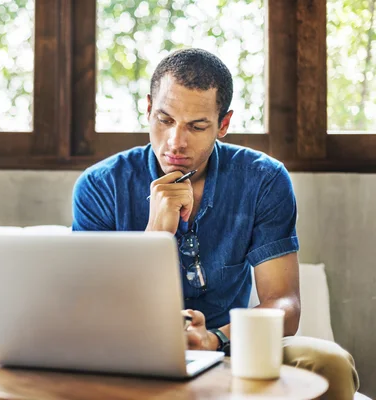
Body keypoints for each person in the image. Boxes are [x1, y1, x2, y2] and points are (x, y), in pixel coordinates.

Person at [72, 48, 359, 399]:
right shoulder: (100, 185)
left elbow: (284, 302)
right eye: (164, 120)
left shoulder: (263, 179)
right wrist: (157, 235)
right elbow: (93, 308)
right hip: (129, 353)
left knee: (329, 362)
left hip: (230, 350)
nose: (176, 142)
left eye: (196, 126)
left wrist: (216, 338)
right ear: (148, 109)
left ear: (223, 124)